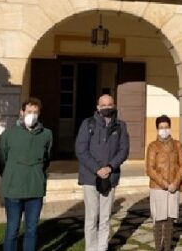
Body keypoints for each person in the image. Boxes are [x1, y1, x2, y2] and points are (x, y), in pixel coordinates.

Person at [0, 97, 53, 251]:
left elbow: (46, 159)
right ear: (22, 112)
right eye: (29, 111)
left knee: (32, 229)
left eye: (35, 112)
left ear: (39, 113)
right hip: (13, 190)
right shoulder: (8, 135)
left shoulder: (46, 135)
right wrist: (11, 175)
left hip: (35, 190)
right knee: (12, 229)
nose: (32, 115)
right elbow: (1, 160)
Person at [75, 94, 130, 251]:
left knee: (105, 218)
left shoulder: (121, 126)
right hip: (90, 177)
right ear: (98, 107)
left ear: (114, 106)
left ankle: (102, 248)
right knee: (91, 218)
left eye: (110, 104)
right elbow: (81, 149)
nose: (107, 107)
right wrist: (97, 169)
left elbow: (124, 150)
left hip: (110, 177)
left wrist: (110, 167)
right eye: (103, 105)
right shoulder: (88, 124)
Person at [146, 115, 182, 251]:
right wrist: (165, 184)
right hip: (158, 187)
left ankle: (168, 247)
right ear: (157, 129)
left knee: (170, 220)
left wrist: (175, 183)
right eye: (161, 127)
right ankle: (159, 248)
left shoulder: (177, 145)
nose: (164, 130)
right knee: (159, 220)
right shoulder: (153, 146)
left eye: (166, 127)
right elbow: (150, 169)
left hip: (174, 187)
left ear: (170, 127)